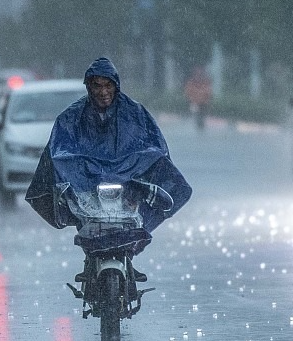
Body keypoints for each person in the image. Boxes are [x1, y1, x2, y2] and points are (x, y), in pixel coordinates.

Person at [25, 57, 192, 281]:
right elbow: (59, 150)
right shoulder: (71, 117)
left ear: (116, 85)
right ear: (89, 87)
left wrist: (139, 166)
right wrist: (76, 169)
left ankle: (130, 252)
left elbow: (154, 147)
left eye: (108, 85)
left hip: (129, 187)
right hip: (88, 188)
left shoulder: (135, 113)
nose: (103, 91)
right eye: (98, 86)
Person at [185, 66, 213, 130]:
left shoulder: (205, 82)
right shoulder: (191, 82)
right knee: (197, 114)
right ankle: (198, 125)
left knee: (202, 114)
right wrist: (190, 99)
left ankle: (201, 125)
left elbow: (208, 91)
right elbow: (188, 92)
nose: (198, 74)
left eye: (200, 73)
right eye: (197, 73)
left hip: (203, 102)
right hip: (194, 102)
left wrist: (207, 99)